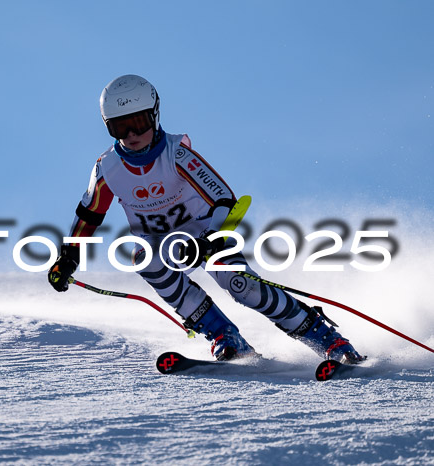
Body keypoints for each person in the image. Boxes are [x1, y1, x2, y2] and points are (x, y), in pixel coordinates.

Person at [47, 74, 364, 364]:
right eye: (120, 127)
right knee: (143, 258)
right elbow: (89, 214)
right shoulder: (108, 168)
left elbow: (225, 199)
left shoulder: (176, 153)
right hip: (160, 242)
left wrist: (210, 240)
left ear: (154, 116)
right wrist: (68, 258)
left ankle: (330, 341)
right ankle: (226, 337)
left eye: (139, 123)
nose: (132, 135)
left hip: (206, 233)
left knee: (241, 286)